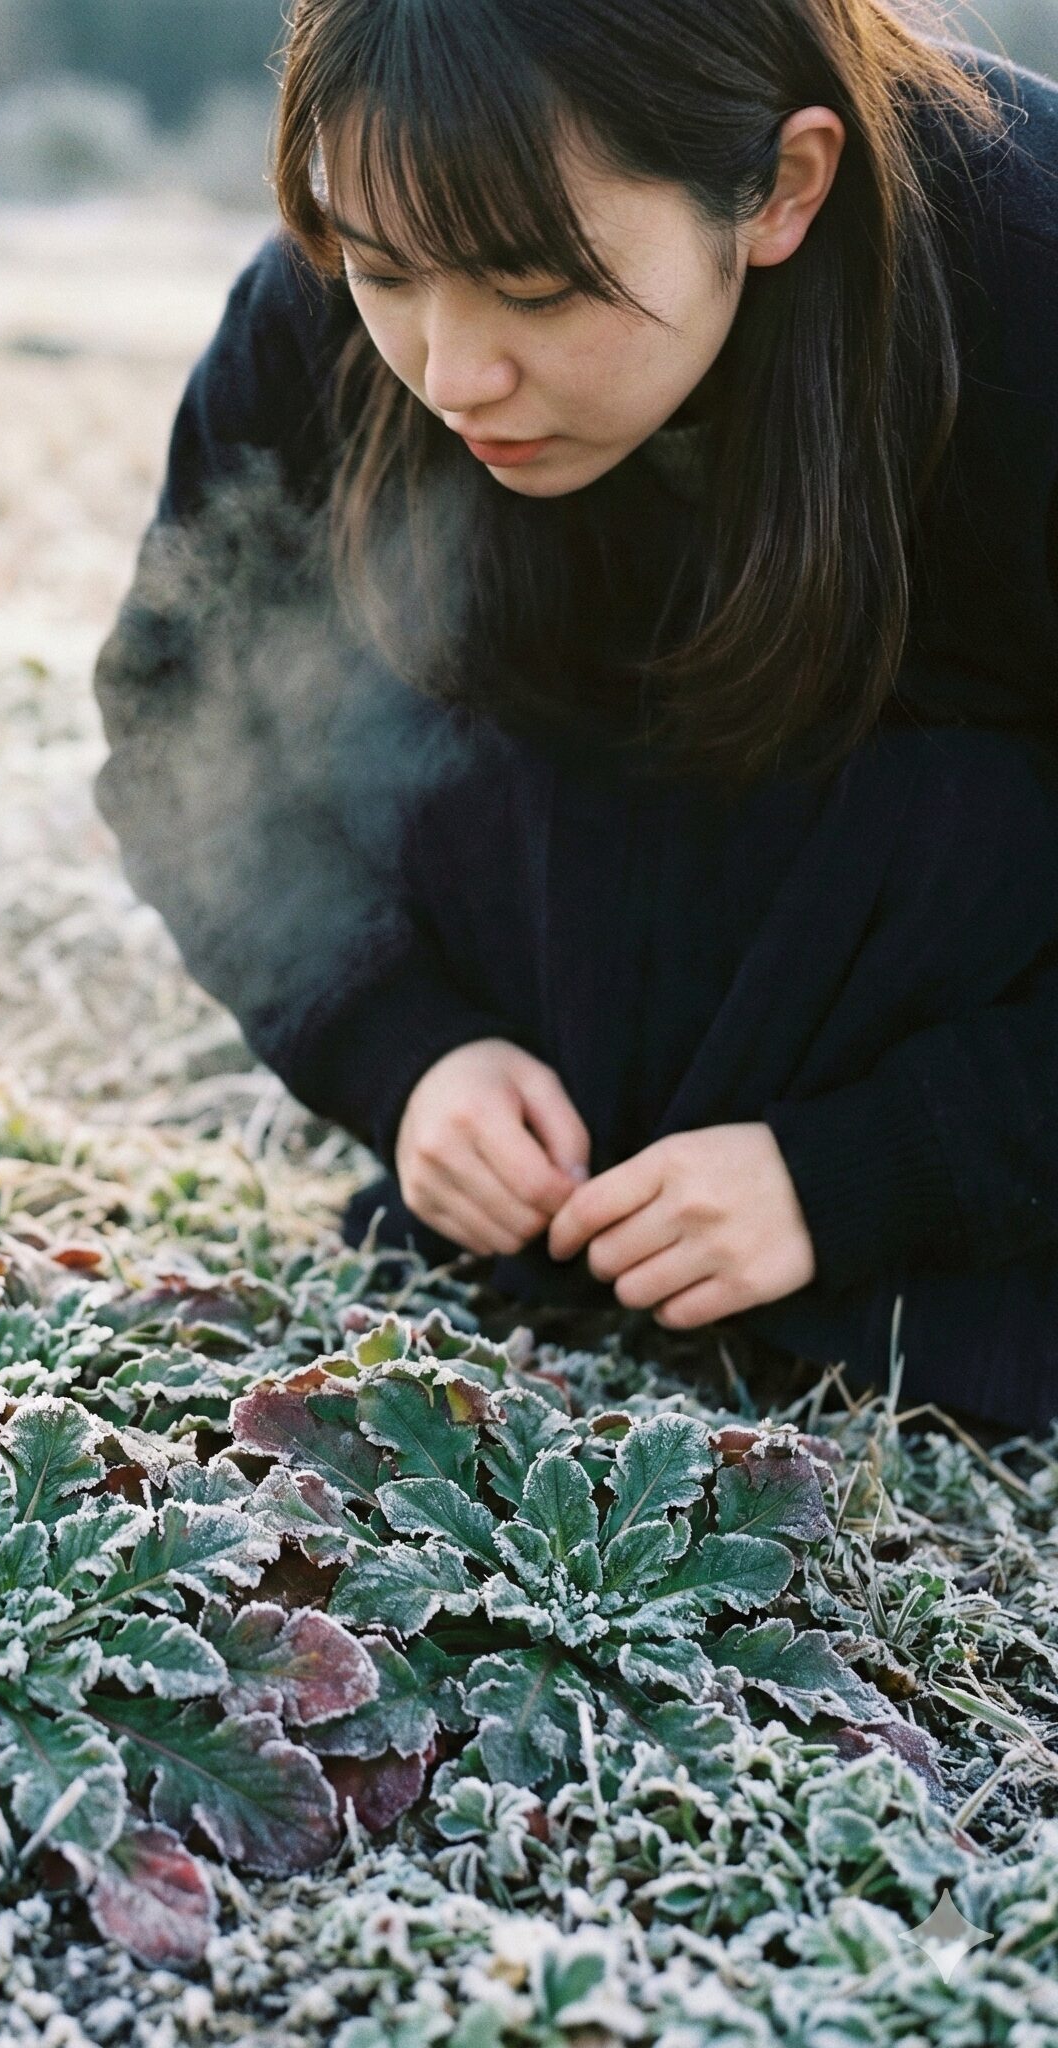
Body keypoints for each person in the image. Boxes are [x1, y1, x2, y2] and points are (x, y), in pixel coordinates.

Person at [90, 0, 1058, 1433]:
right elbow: (179, 731)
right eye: (385, 270)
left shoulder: (1031, 279)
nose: (454, 373)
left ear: (784, 187)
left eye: (537, 287)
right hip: (527, 1166)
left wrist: (867, 1170)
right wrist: (399, 1051)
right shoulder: (322, 300)